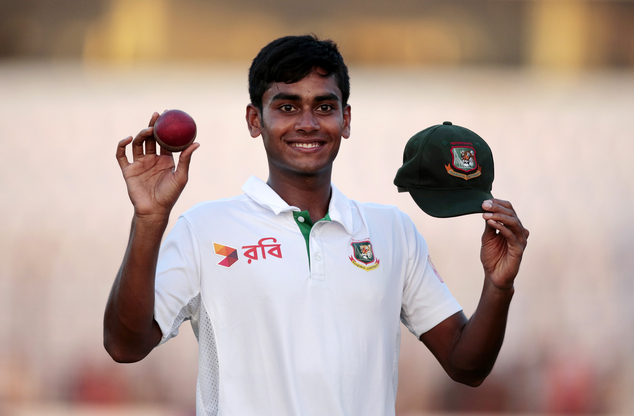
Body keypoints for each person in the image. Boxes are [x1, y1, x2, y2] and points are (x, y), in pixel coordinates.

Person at [105, 35, 529, 416]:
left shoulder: (392, 231)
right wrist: (149, 219)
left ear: (346, 119)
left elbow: (465, 365)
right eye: (287, 107)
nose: (307, 124)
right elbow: (125, 346)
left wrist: (498, 286)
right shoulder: (204, 228)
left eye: (324, 107)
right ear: (255, 120)